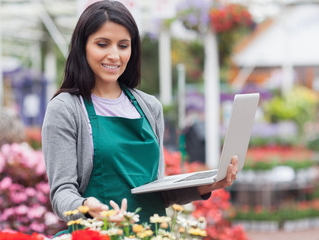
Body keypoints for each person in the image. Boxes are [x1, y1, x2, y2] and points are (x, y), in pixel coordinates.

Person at [42, 0, 238, 231]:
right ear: (82, 47)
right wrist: (85, 206)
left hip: (152, 233)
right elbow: (61, 193)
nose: (114, 55)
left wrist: (210, 184)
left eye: (123, 45)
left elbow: (157, 193)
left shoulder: (148, 106)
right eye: (102, 44)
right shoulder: (66, 109)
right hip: (99, 233)